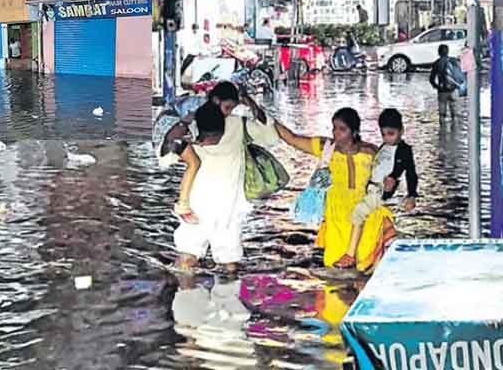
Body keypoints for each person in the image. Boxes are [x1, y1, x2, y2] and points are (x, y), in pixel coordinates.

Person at [169, 82, 280, 273]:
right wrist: (250, 102)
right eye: (228, 107)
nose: (229, 112)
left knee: (188, 259)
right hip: (224, 204)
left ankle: (186, 294)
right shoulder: (239, 125)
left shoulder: (194, 123)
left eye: (233, 107)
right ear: (215, 100)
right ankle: (226, 298)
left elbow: (168, 153)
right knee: (228, 264)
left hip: (200, 202)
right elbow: (269, 133)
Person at [276, 108, 396, 273]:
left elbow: (388, 178)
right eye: (334, 128)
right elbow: (291, 138)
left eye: (342, 129)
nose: (336, 133)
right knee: (336, 271)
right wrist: (266, 118)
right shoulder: (326, 148)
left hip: (366, 214)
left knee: (367, 267)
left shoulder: (371, 151)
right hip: (337, 215)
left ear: (354, 132)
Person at [345, 109, 418, 269]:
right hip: (373, 190)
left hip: (381, 192)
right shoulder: (384, 146)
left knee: (358, 213)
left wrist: (412, 194)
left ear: (401, 130)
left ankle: (350, 255)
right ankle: (386, 246)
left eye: (391, 134)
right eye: (384, 134)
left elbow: (411, 173)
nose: (387, 138)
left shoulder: (404, 150)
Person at [172, 102, 226, 224]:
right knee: (194, 163)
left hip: (175, 133)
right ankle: (182, 206)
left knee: (193, 162)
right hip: (172, 136)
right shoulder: (189, 124)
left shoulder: (199, 114)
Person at [429, 44, 459, 122]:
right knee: (455, 114)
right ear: (448, 52)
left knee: (442, 115)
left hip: (442, 91)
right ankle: (454, 131)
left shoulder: (437, 63)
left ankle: (442, 132)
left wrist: (437, 87)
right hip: (453, 90)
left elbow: (431, 79)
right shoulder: (454, 61)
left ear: (439, 52)